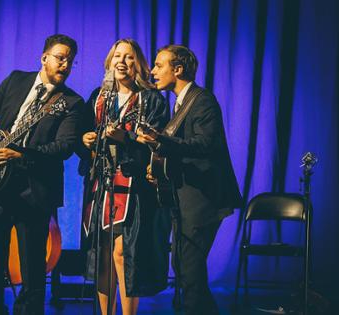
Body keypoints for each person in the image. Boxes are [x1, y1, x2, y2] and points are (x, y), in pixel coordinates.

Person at [0, 34, 83, 315]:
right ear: (44, 58)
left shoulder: (72, 102)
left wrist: (22, 156)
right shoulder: (16, 80)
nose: (65, 64)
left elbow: (64, 147)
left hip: (34, 191)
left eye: (70, 60)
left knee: (32, 271)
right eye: (60, 57)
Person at [143, 44, 242, 315]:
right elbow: (181, 149)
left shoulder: (202, 100)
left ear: (178, 69)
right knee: (186, 269)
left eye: (159, 65)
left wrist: (162, 140)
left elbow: (204, 144)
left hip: (204, 200)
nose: (152, 72)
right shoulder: (181, 104)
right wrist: (159, 161)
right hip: (185, 198)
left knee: (189, 268)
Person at [79, 39, 171, 315]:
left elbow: (157, 145)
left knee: (124, 253)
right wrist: (84, 140)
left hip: (134, 187)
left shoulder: (152, 100)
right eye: (117, 56)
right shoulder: (98, 97)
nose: (122, 62)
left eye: (129, 57)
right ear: (109, 63)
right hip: (101, 183)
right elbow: (81, 135)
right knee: (103, 254)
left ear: (138, 65)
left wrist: (126, 138)